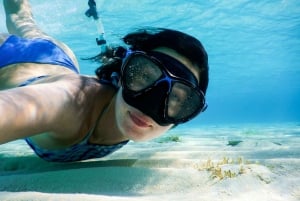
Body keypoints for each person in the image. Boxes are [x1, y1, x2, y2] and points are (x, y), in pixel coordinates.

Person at [0, 0, 209, 162]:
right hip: (8, 60)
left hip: (60, 58)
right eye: (145, 76)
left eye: (177, 99)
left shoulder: (126, 109)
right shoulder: (72, 103)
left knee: (20, 17)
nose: (150, 107)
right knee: (19, 17)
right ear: (122, 76)